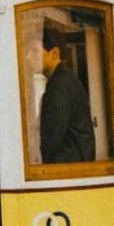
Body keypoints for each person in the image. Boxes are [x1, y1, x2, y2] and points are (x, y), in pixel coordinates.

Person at [39, 25, 96, 164]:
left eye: (35, 51)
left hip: (66, 168)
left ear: (54, 54)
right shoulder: (67, 78)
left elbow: (51, 138)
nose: (27, 57)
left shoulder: (59, 86)